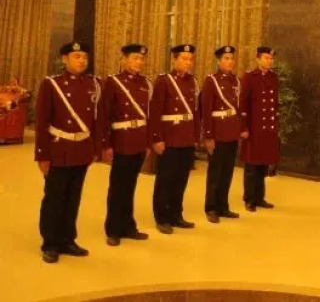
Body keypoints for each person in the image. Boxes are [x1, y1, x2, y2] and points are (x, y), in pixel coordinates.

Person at [35, 42, 100, 263]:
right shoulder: (52, 84)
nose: (82, 60)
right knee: (55, 198)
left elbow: (95, 119)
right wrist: (42, 154)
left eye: (85, 57)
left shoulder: (93, 84)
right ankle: (50, 243)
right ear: (65, 59)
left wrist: (94, 148)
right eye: (76, 56)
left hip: (81, 149)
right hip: (58, 149)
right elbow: (42, 121)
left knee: (73, 197)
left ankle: (67, 239)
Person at [98, 44, 152, 246]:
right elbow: (104, 114)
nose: (139, 62)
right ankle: (113, 229)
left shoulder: (146, 84)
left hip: (139, 140)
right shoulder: (113, 82)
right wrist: (106, 144)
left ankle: (128, 226)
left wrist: (148, 142)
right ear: (125, 59)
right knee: (118, 187)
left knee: (130, 186)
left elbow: (149, 116)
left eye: (141, 59)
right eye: (135, 58)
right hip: (121, 139)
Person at [149, 44, 199, 234]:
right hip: (169, 137)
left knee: (181, 178)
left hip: (186, 136)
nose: (188, 62)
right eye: (184, 58)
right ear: (174, 59)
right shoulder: (164, 81)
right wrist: (157, 138)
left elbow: (195, 112)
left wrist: (195, 136)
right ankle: (162, 217)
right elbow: (155, 111)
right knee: (166, 179)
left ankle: (176, 215)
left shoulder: (193, 82)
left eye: (190, 59)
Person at [201, 45, 244, 223]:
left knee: (227, 171)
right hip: (217, 132)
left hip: (231, 132)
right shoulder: (211, 81)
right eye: (226, 59)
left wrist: (239, 130)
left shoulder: (236, 81)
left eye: (231, 59)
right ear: (219, 61)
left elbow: (239, 108)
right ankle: (211, 207)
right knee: (215, 172)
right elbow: (206, 110)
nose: (230, 62)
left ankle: (223, 206)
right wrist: (208, 136)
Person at [239, 46, 280, 212]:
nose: (269, 61)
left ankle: (259, 197)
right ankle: (249, 199)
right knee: (251, 165)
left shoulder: (273, 77)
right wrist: (243, 126)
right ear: (258, 59)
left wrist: (276, 125)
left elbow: (275, 103)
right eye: (266, 58)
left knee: (263, 163)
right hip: (254, 127)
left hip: (268, 128)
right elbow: (243, 104)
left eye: (271, 58)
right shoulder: (250, 77)